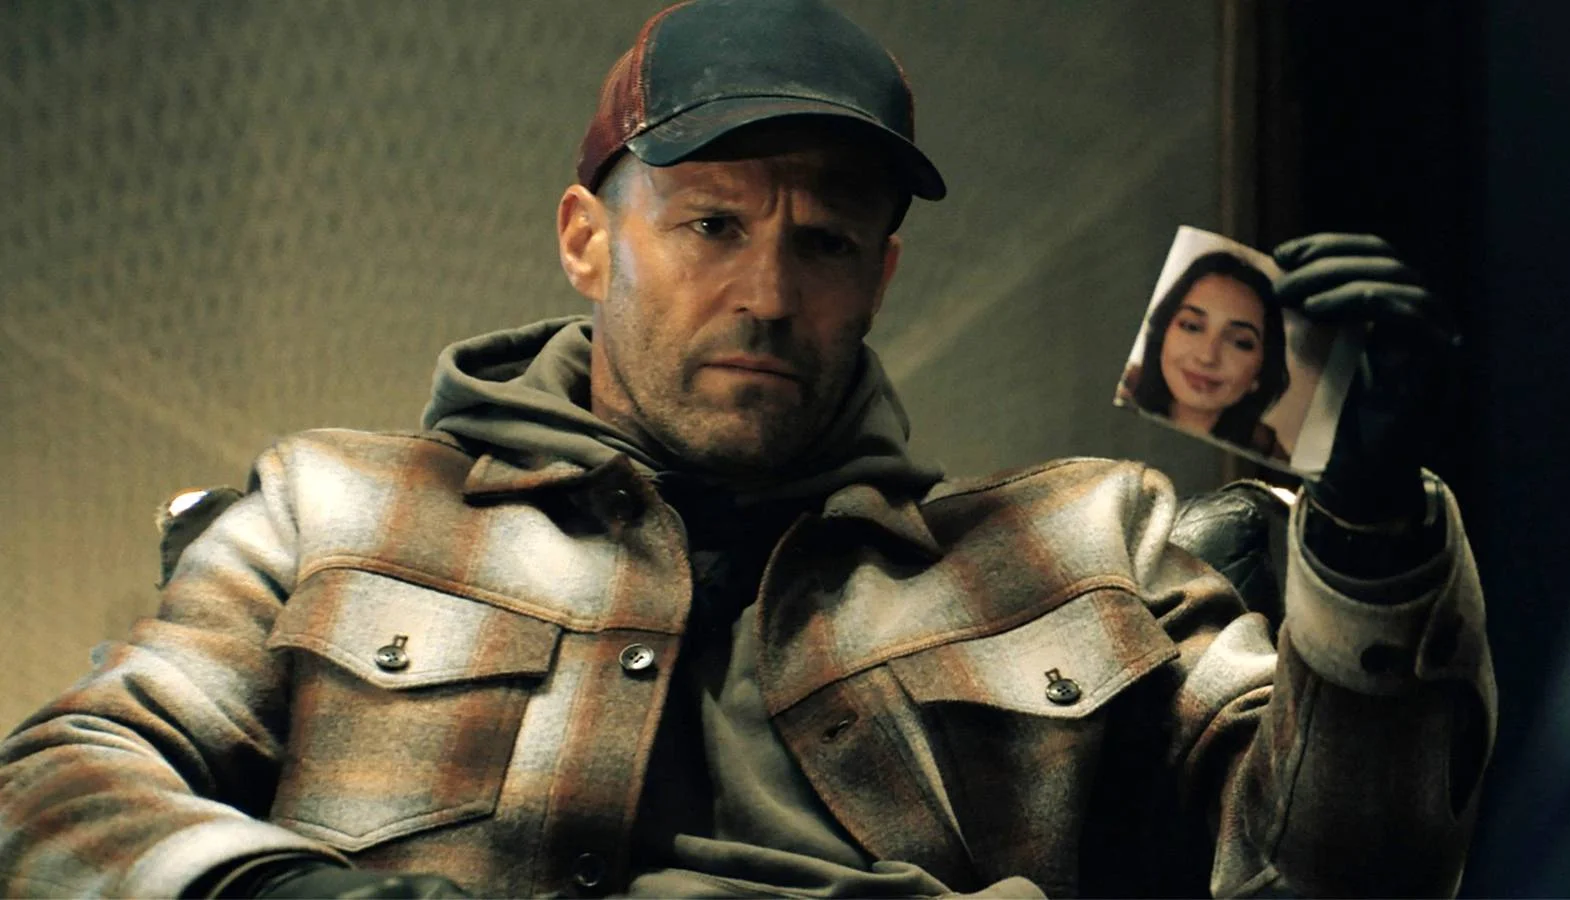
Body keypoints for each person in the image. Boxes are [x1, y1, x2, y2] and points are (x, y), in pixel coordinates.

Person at [0, 1, 1492, 898]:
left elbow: (1343, 875)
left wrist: (1367, 532)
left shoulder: (1085, 546)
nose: (769, 293)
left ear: (879, 279)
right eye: (712, 225)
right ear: (588, 240)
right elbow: (55, 786)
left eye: (825, 242)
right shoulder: (335, 509)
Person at [1120, 251, 1291, 461]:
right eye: (1192, 326)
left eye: (1240, 342)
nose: (1207, 357)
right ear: (1163, 333)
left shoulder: (1270, 458)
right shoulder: (1117, 396)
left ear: (1261, 371)